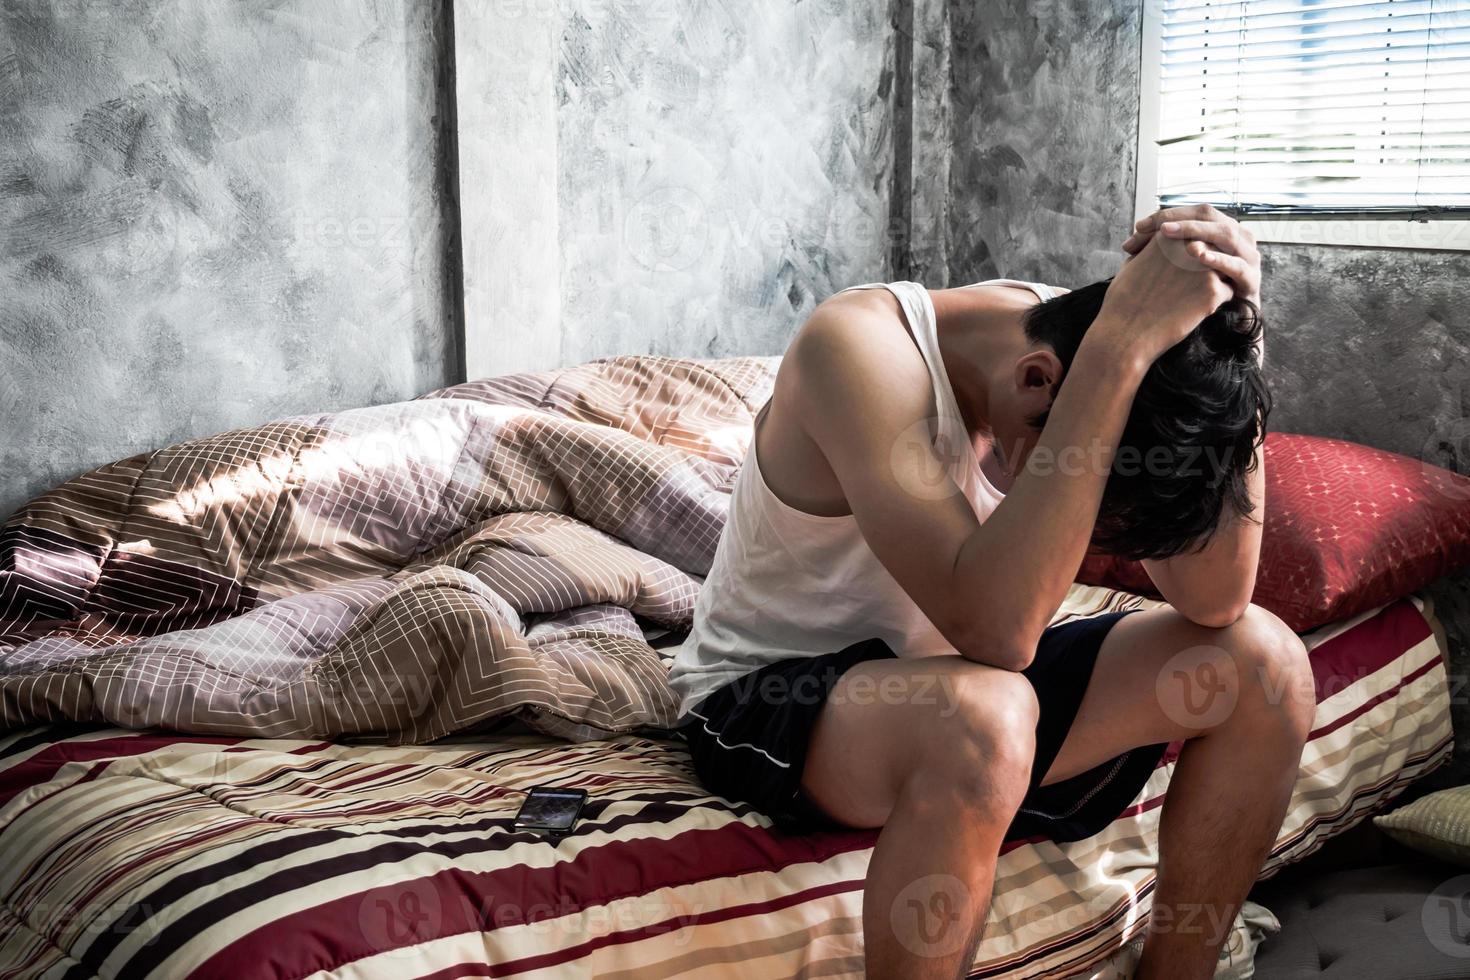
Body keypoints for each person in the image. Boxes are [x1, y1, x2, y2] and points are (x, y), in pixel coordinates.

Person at [667, 205, 1315, 980]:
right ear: (1037, 381)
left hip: (968, 683)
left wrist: (1233, 336)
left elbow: (1217, 597)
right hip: (776, 696)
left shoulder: (1107, 349)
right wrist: (1111, 359)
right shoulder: (862, 347)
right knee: (988, 715)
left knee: (1266, 665)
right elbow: (999, 634)